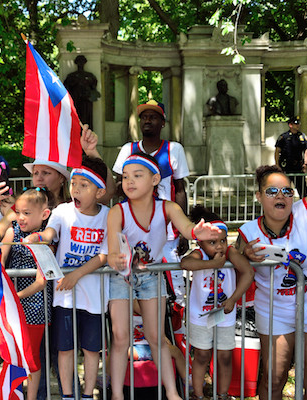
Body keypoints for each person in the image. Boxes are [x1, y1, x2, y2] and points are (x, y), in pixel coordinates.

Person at [106, 153, 221, 400]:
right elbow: (113, 248)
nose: (130, 181)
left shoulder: (168, 207)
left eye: (138, 175)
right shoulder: (117, 211)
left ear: (155, 179)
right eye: (125, 177)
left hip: (151, 277)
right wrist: (115, 257)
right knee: (119, 338)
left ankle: (172, 392)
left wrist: (198, 231)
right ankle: (116, 394)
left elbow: (188, 229)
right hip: (121, 277)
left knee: (157, 337)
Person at [236, 165, 307, 400]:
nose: (280, 196)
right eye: (272, 190)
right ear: (259, 196)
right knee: (275, 379)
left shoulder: (306, 211)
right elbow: (231, 262)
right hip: (274, 311)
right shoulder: (247, 232)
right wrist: (244, 254)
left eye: (287, 191)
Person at [25, 156, 110, 400]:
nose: (76, 190)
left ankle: (86, 394)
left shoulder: (107, 215)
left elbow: (104, 255)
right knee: (65, 349)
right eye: (74, 184)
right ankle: (67, 395)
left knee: (92, 350)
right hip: (65, 297)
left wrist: (76, 275)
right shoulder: (62, 210)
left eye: (84, 185)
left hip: (94, 296)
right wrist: (40, 237)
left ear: (99, 191)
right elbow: (51, 232)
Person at [112, 99, 190, 313]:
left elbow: (180, 189)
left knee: (175, 286)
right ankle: (140, 336)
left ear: (162, 122)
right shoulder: (129, 149)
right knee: (136, 282)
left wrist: (183, 231)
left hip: (167, 232)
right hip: (134, 231)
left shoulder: (174, 149)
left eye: (153, 117)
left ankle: (176, 333)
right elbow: (117, 186)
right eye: (144, 117)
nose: (148, 120)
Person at [180, 206, 254, 400]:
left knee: (225, 357)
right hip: (201, 315)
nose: (220, 246)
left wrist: (233, 299)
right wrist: (212, 265)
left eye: (222, 240)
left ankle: (222, 395)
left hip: (224, 313)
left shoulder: (230, 253)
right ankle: (197, 395)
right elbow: (185, 263)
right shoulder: (200, 255)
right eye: (213, 242)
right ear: (201, 243)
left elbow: (248, 272)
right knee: (202, 356)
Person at [1, 188, 54, 400]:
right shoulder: (12, 231)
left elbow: (42, 281)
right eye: (19, 212)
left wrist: (17, 296)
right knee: (12, 355)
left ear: (44, 214)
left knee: (31, 358)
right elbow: (0, 262)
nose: (21, 218)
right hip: (13, 304)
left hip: (35, 308)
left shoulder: (44, 239)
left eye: (27, 213)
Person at [275, 116, 307, 198]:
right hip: (286, 166)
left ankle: (305, 207)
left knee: (302, 190)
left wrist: (306, 163)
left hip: (298, 166)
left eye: (298, 124)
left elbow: (306, 150)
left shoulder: (302, 136)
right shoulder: (283, 137)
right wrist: (277, 165)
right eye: (295, 124)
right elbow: (277, 151)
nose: (298, 125)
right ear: (290, 125)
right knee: (284, 189)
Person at [64, 55, 100, 128]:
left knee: (87, 120)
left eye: (82, 62)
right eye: (79, 62)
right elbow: (65, 90)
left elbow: (94, 90)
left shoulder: (90, 76)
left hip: (86, 102)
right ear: (76, 63)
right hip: (75, 101)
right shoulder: (71, 76)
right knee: (76, 120)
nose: (81, 63)